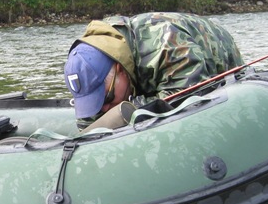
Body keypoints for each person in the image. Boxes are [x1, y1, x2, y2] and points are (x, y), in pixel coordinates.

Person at [63, 12, 244, 129]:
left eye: (106, 98)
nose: (104, 108)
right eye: (93, 102)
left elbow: (191, 96)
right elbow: (89, 124)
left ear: (120, 69)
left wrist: (129, 109)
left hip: (220, 71)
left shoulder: (167, 42)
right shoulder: (93, 55)